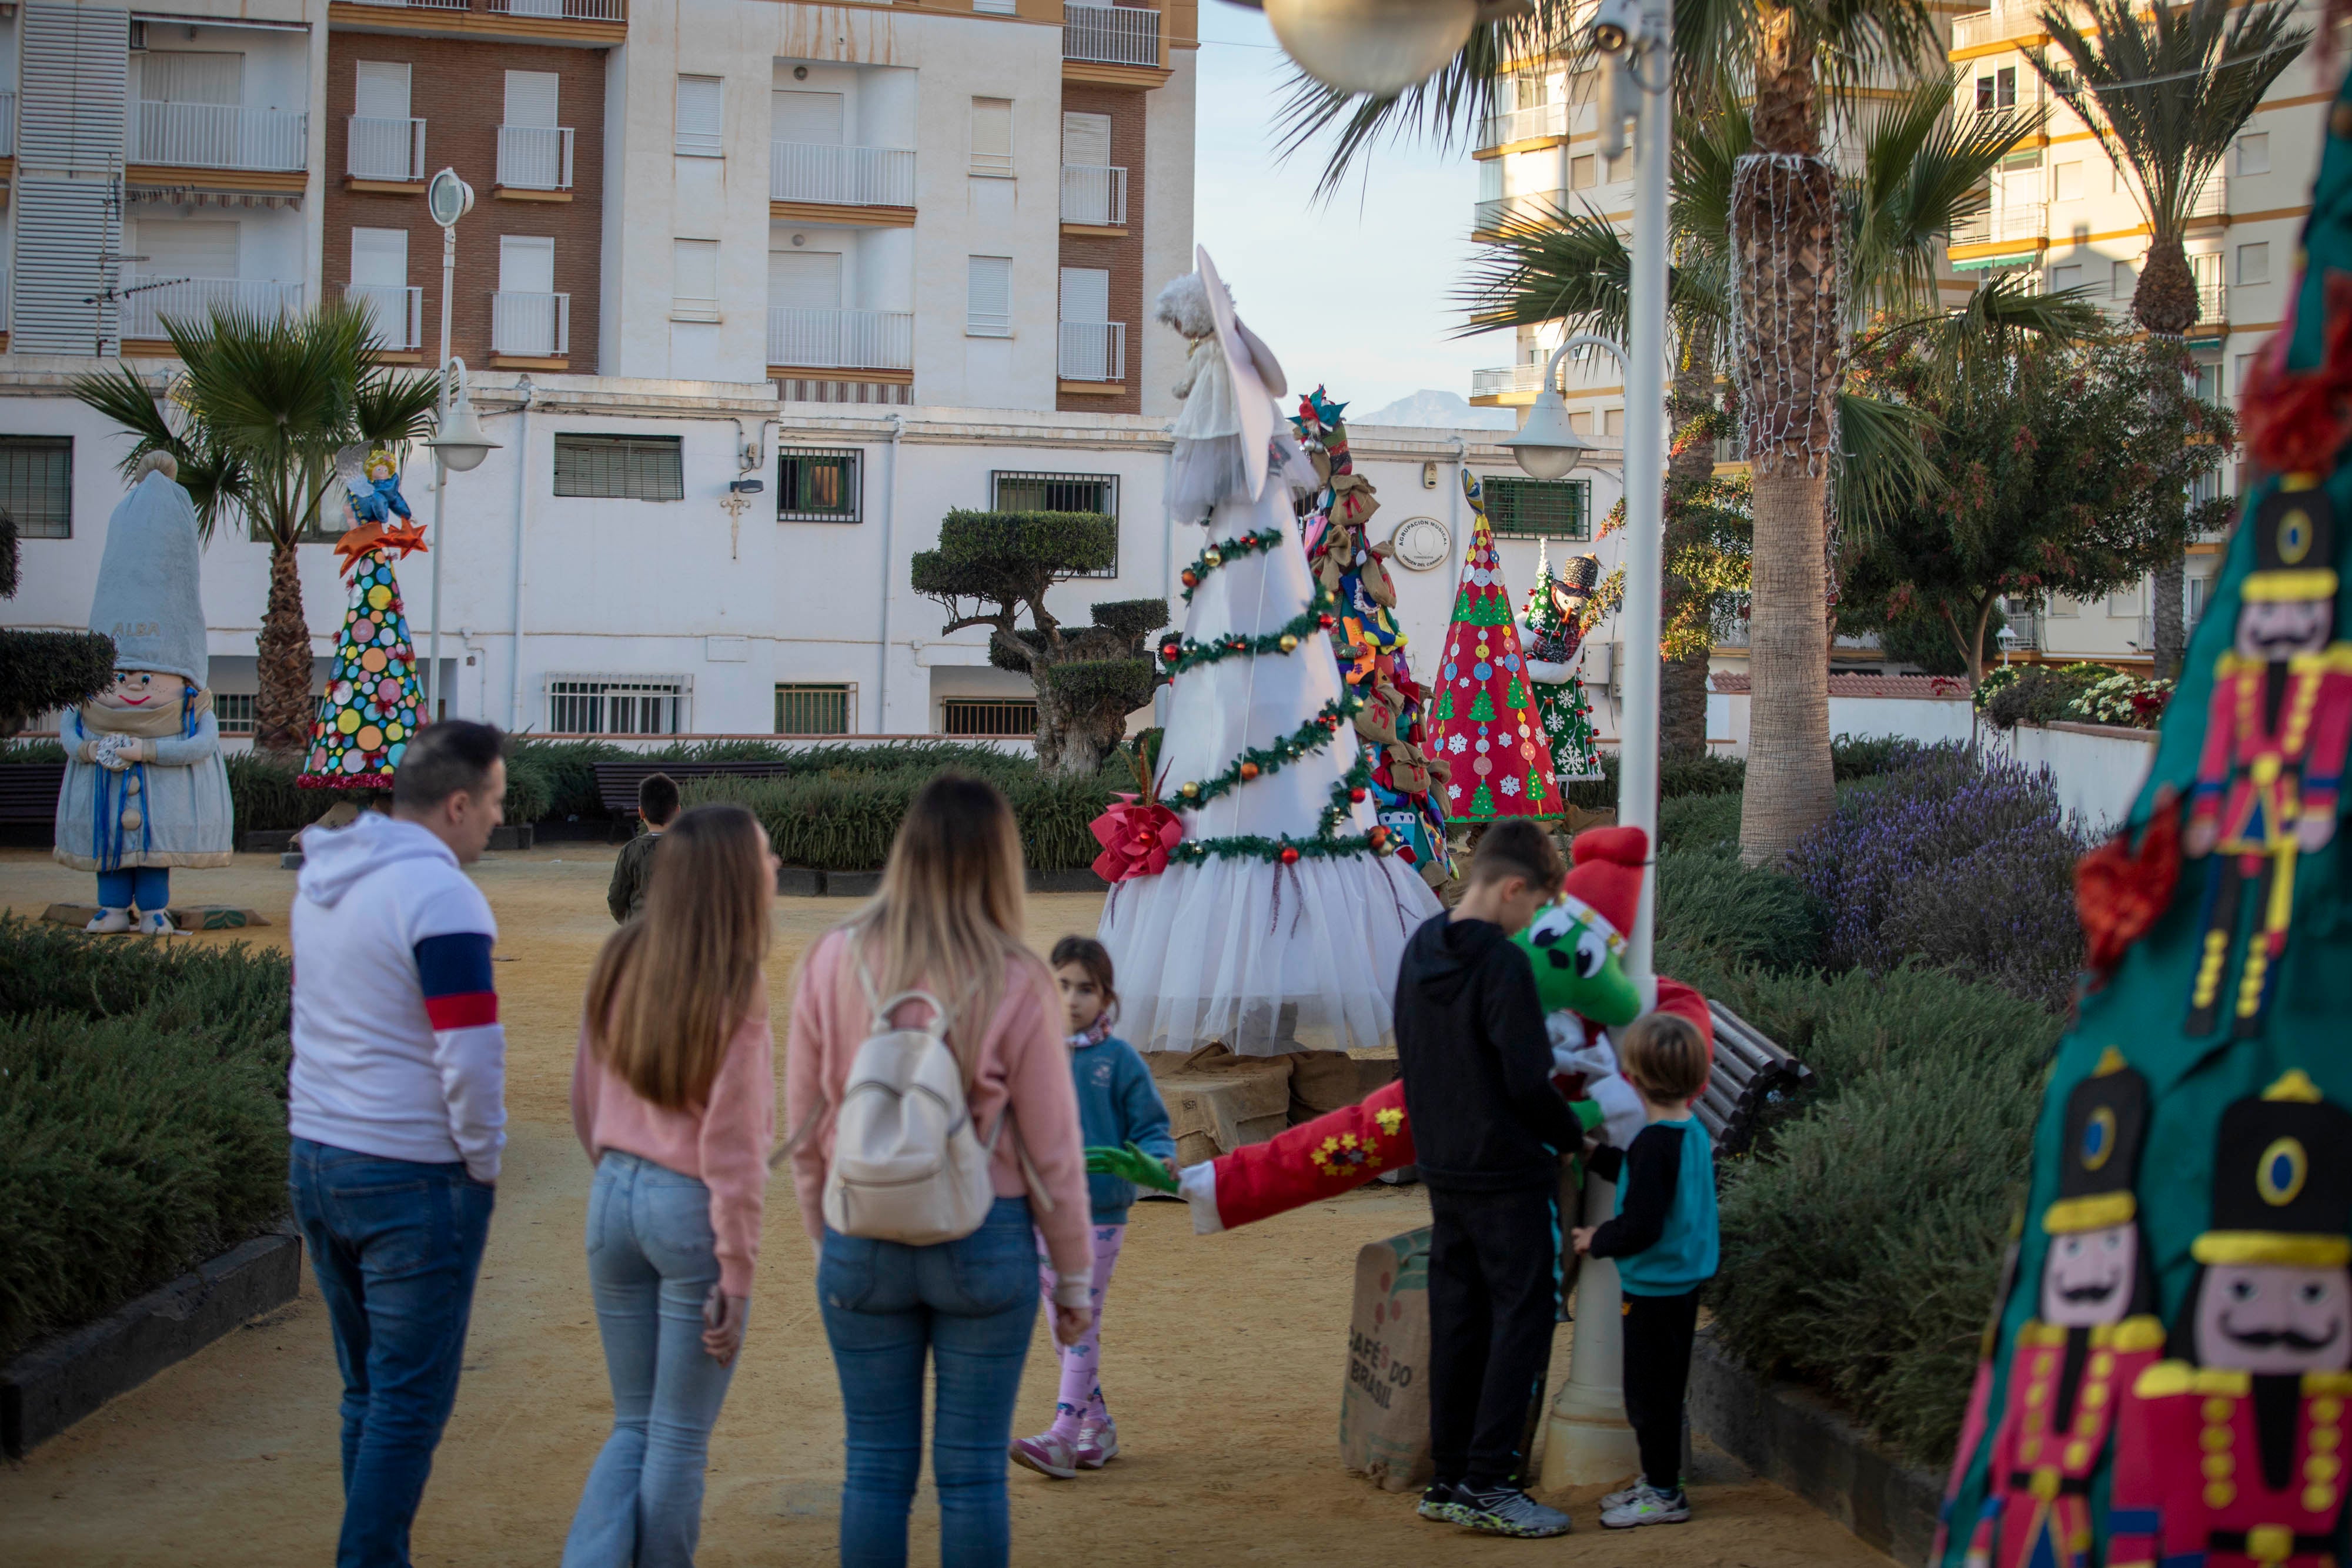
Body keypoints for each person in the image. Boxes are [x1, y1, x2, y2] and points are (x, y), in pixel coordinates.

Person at [786, 774, 1093, 1568]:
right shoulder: (1019, 974)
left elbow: (808, 1125)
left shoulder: (831, 957)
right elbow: (1053, 1147)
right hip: (983, 1231)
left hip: (861, 1232)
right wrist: (1072, 1280)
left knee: (875, 1467)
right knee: (971, 1475)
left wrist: (825, 1237)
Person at [285, 719, 510, 1568]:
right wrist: (483, 1160)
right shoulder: (443, 894)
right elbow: (470, 1049)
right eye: (493, 801)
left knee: (367, 1390)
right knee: (409, 1403)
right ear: (457, 803)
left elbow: (307, 1013)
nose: (497, 817)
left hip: (318, 1156)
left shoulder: (324, 877)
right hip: (412, 1174)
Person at [564, 802, 778, 1566]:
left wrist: (621, 1174)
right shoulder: (736, 976)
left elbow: (582, 1096)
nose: (776, 867)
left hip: (613, 1197)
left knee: (634, 1422)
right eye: (763, 857)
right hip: (689, 1206)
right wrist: (737, 1267)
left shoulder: (620, 954)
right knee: (680, 1435)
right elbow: (736, 1143)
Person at [1395, 818, 1578, 1540]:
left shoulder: (1419, 946)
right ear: (1511, 887)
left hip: (1444, 1168)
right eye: (1535, 904)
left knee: (1459, 1317)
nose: (1533, 920)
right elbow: (1529, 1081)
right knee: (1521, 1320)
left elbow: (1408, 1052)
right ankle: (1491, 1482)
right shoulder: (1502, 966)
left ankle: (1450, 1477)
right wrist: (1574, 1137)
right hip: (1507, 1171)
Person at [1009, 936, 1175, 1480]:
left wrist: (1156, 1160)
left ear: (1107, 998)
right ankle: (1096, 1425)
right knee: (1064, 1320)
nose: (1074, 998)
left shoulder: (1120, 1059)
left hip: (1101, 1213)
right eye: (1063, 985)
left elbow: (1152, 1127)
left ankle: (1062, 1435)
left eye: (1088, 988)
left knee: (1078, 1315)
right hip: (1040, 1210)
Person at [1571, 1009, 1720, 1530]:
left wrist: (1597, 1238)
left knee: (1648, 1395)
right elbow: (1649, 1177)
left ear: (1633, 1078)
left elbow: (1643, 1222)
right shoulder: (1688, 1131)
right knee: (1660, 1388)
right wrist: (1596, 1156)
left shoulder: (1654, 1141)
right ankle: (1660, 1481)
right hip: (1681, 1280)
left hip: (1654, 1286)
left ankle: (1663, 1492)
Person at [608, 773, 681, 924]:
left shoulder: (630, 850)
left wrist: (630, 924)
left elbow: (616, 899)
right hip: (682, 935)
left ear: (641, 812)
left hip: (642, 931)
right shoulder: (693, 848)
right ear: (678, 811)